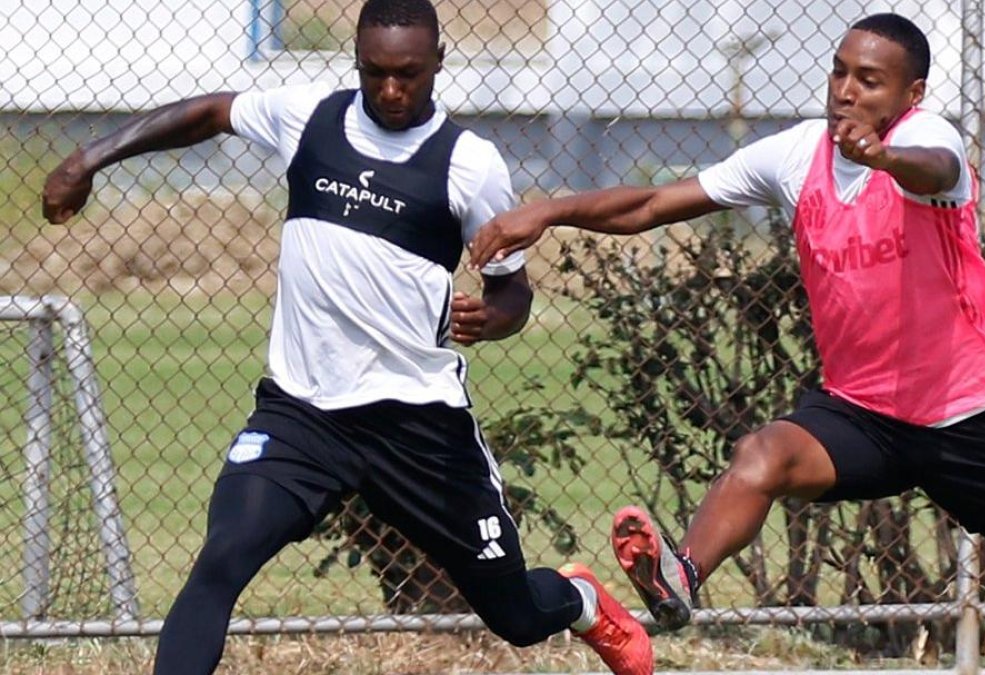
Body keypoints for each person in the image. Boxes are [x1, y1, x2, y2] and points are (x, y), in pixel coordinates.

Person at [468, 13, 985, 675]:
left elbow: (933, 168)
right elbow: (653, 205)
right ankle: (679, 578)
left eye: (868, 79)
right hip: (866, 412)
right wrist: (549, 211)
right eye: (838, 73)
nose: (846, 90)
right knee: (763, 454)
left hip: (969, 415)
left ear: (910, 93)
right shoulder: (798, 154)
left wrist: (885, 156)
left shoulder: (930, 143)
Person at [40, 1, 652, 673]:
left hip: (419, 425)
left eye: (409, 75)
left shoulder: (469, 165)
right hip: (301, 416)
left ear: (438, 64)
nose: (391, 90)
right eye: (375, 72)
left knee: (516, 615)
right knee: (221, 559)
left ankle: (581, 596)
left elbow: (513, 292)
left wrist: (494, 318)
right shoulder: (310, 117)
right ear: (358, 62)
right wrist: (90, 157)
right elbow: (213, 111)